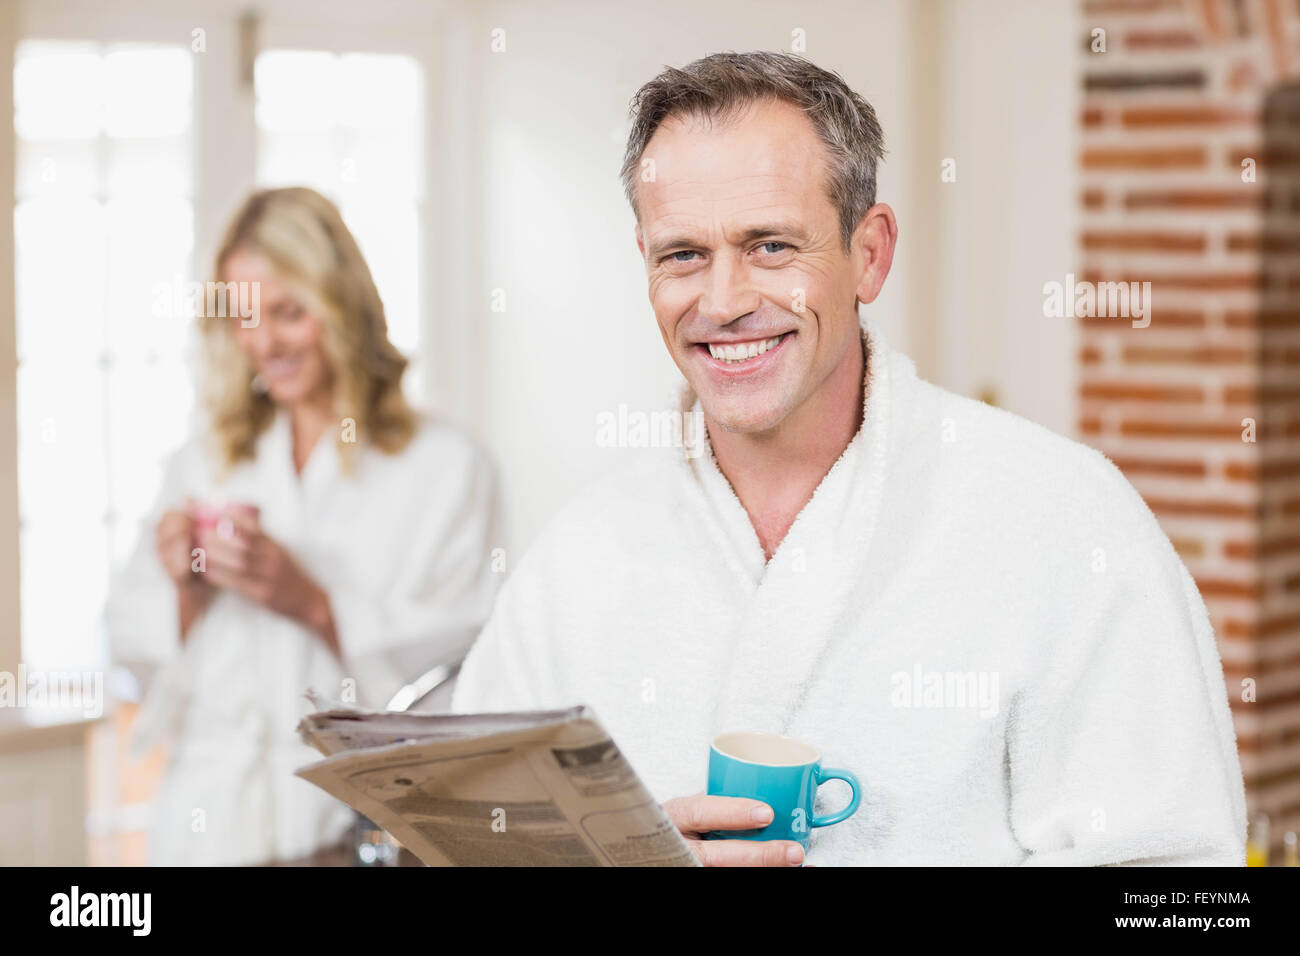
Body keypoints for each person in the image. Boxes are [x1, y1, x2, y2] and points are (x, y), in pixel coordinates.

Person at [451, 52, 1247, 866]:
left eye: (769, 246)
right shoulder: (578, 558)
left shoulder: (1066, 520)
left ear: (869, 253)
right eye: (682, 254)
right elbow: (470, 841)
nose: (722, 303)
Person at [107, 187, 500, 865]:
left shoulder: (442, 467)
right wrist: (187, 593)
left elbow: (464, 682)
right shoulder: (207, 461)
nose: (264, 343)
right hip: (204, 829)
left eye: (289, 313)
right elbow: (127, 649)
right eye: (245, 318)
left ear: (341, 306)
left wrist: (314, 603)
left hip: (347, 831)